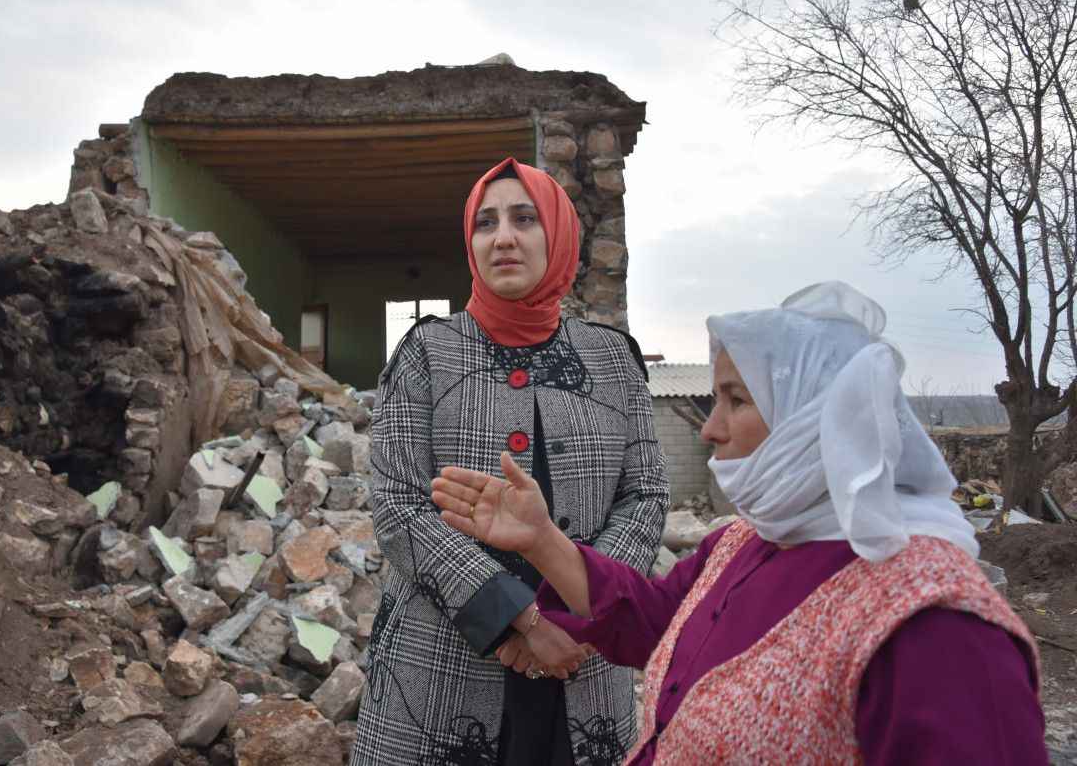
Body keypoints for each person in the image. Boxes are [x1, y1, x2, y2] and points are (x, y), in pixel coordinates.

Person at [433, 282, 1047, 764]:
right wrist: (542, 541)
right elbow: (652, 621)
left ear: (815, 417)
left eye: (736, 399)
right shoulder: (745, 544)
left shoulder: (937, 626)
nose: (709, 427)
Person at [351, 158, 669, 766]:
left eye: (525, 219)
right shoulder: (428, 352)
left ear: (558, 233)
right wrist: (519, 619)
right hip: (442, 666)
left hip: (584, 667)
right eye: (485, 222)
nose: (503, 237)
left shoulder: (611, 359)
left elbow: (646, 495)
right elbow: (399, 504)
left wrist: (579, 615)